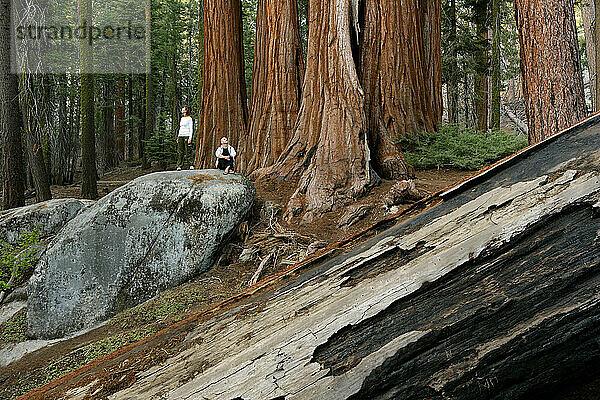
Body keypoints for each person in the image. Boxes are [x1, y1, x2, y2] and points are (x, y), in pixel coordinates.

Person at [177, 106, 194, 170]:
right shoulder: (182, 118)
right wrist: (178, 137)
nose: (182, 110)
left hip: (187, 135)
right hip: (181, 135)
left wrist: (190, 138)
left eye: (183, 109)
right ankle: (179, 165)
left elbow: (191, 128)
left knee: (188, 151)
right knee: (180, 151)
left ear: (186, 111)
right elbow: (180, 128)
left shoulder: (189, 118)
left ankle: (191, 164)